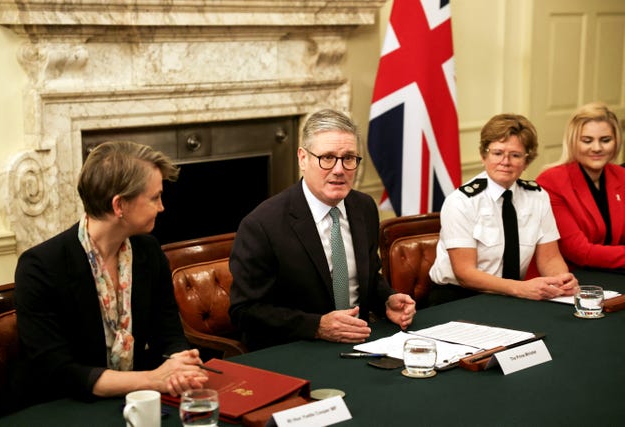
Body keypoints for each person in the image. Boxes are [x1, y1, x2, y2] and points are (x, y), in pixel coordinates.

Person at [13, 141, 209, 409]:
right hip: (65, 406)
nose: (162, 207)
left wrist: (180, 364)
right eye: (154, 198)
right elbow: (59, 371)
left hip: (135, 400)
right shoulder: (40, 267)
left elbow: (168, 331)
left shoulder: (148, 251)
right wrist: (153, 379)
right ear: (119, 206)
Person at [228, 109, 416, 350]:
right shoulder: (262, 225)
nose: (339, 169)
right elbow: (245, 311)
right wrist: (316, 326)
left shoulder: (363, 207)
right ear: (303, 158)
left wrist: (386, 299)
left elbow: (367, 276)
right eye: (327, 157)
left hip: (362, 341)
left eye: (348, 158)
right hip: (297, 348)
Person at [428, 113, 578, 302]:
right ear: (484, 155)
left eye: (515, 155)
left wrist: (561, 281)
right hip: (459, 298)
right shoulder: (461, 201)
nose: (505, 162)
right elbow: (465, 273)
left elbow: (550, 259)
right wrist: (521, 289)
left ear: (527, 160)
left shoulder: (537, 196)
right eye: (497, 153)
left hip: (513, 296)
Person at [536, 102, 625, 269]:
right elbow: (579, 252)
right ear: (573, 142)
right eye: (587, 140)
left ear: (616, 141)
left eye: (605, 140)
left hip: (614, 272)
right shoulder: (552, 181)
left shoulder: (621, 176)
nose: (597, 148)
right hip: (569, 279)